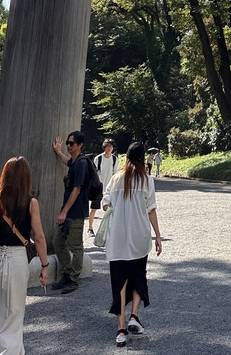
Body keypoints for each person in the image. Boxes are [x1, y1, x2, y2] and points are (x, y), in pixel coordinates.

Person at [0, 156, 49, 355]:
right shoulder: (31, 202)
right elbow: (39, 237)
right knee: (13, 315)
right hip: (17, 259)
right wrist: (44, 265)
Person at [102, 142, 162, 347]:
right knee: (138, 276)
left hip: (117, 238)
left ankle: (120, 329)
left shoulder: (116, 178)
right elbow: (151, 210)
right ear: (143, 158)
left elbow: (105, 202)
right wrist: (158, 236)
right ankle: (134, 316)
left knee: (119, 282)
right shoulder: (147, 180)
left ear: (126, 158)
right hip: (139, 237)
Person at [51, 131, 91, 293]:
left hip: (75, 212)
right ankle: (67, 273)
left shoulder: (82, 163)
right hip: (67, 211)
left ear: (80, 145)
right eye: (67, 143)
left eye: (71, 143)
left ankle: (74, 279)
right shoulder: (74, 162)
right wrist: (58, 151)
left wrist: (64, 212)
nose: (68, 146)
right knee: (58, 242)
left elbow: (77, 189)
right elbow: (68, 162)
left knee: (75, 246)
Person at [88, 138, 118, 236]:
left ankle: (110, 229)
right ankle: (90, 228)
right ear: (104, 147)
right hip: (99, 187)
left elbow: (116, 173)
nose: (109, 148)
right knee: (94, 208)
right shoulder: (99, 158)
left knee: (110, 209)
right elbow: (93, 173)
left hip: (110, 188)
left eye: (111, 146)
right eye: (107, 146)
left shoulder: (114, 159)